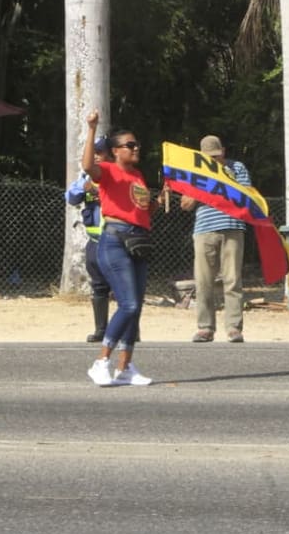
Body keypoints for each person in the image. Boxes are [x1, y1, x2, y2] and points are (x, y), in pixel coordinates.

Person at [82, 111, 164, 387]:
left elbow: (142, 211)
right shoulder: (107, 170)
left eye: (137, 144)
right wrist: (91, 129)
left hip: (138, 241)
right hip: (115, 241)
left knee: (135, 307)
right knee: (127, 304)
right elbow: (87, 166)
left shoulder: (138, 175)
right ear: (116, 151)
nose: (136, 148)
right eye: (130, 145)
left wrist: (158, 201)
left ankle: (125, 367)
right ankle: (101, 362)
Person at [180, 135, 249, 343]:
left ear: (223, 151)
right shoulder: (193, 173)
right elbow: (185, 205)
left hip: (233, 227)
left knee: (232, 280)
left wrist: (221, 181)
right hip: (204, 230)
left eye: (217, 156)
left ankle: (234, 328)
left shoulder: (237, 168)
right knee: (203, 281)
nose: (214, 160)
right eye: (210, 157)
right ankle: (205, 327)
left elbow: (245, 196)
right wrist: (202, 187)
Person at [65, 135, 112, 342]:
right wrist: (83, 186)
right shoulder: (86, 177)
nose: (95, 156)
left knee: (123, 287)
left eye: (100, 152)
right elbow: (71, 198)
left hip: (116, 241)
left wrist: (95, 191)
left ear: (111, 154)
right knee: (98, 286)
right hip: (94, 241)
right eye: (93, 152)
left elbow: (118, 201)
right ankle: (101, 330)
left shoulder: (117, 176)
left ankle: (130, 330)